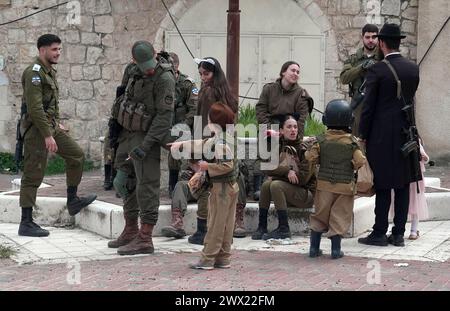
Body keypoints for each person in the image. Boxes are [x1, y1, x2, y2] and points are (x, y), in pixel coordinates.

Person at [18, 34, 97, 237]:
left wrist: (55, 124)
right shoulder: (34, 73)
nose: (58, 53)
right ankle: (26, 222)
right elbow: (35, 109)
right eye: (54, 49)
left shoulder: (48, 72)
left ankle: (73, 200)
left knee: (76, 155)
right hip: (37, 132)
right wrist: (47, 134)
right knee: (33, 173)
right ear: (42, 50)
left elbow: (48, 105)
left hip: (50, 127)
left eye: (59, 49)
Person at [108, 40, 176, 255]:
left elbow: (164, 117)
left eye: (149, 63)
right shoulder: (131, 71)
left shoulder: (164, 78)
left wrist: (146, 146)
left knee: (147, 185)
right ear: (133, 61)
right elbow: (122, 99)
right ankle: (130, 230)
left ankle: (145, 238)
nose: (147, 68)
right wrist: (115, 134)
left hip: (148, 136)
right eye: (142, 64)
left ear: (155, 54)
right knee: (126, 181)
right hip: (127, 133)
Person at [358, 24, 421, 247]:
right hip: (406, 135)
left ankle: (379, 232)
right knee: (403, 185)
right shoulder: (413, 69)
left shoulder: (377, 70)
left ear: (382, 43)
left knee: (384, 185)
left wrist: (362, 134)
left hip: (381, 137)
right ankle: (399, 234)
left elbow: (368, 108)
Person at [183, 56, 246, 244]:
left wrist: (195, 153)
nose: (203, 77)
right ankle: (221, 230)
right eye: (201, 74)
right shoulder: (225, 92)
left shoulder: (209, 93)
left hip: (210, 143)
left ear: (214, 73)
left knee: (204, 187)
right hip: (225, 143)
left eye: (206, 73)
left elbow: (201, 121)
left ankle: (203, 230)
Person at [170, 102, 239, 270]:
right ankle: (223, 257)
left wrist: (207, 167)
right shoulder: (225, 136)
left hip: (222, 188)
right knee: (226, 224)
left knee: (215, 224)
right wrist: (181, 145)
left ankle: (207, 259)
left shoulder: (221, 141)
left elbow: (226, 165)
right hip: (230, 187)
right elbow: (204, 143)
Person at [306, 99, 366, 259]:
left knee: (319, 215)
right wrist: (352, 165)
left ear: (326, 120)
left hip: (324, 185)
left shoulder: (320, 140)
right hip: (345, 186)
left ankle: (313, 248)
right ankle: (335, 250)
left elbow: (310, 157)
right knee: (339, 216)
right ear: (350, 120)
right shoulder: (352, 143)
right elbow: (360, 161)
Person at [255, 61, 314, 201]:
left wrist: (287, 132)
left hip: (289, 127)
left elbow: (301, 118)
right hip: (271, 125)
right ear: (283, 72)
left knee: (287, 152)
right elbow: (261, 109)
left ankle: (281, 182)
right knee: (264, 151)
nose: (295, 74)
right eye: (292, 70)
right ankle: (259, 186)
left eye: (298, 72)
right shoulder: (269, 89)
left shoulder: (301, 94)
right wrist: (270, 129)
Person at [252, 114, 316, 240]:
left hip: (306, 194)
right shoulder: (279, 146)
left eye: (295, 127)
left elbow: (302, 179)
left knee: (275, 184)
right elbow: (267, 167)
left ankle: (284, 229)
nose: (293, 130)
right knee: (266, 185)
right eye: (289, 127)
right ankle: (262, 226)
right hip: (290, 191)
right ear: (281, 130)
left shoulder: (304, 149)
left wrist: (278, 176)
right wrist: (287, 171)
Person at [166, 52, 198, 197]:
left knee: (175, 149)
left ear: (177, 66)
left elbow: (194, 107)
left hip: (182, 127)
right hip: (163, 126)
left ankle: (173, 185)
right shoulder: (162, 82)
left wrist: (184, 125)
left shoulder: (188, 84)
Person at [340, 24, 380, 137]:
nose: (370, 40)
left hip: (378, 103)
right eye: (367, 37)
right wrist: (361, 68)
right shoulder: (354, 59)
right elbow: (344, 78)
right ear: (362, 37)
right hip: (358, 104)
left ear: (378, 38)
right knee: (357, 138)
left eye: (373, 37)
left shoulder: (382, 58)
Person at [389, 138, 429, 240]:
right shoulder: (414, 139)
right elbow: (425, 157)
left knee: (398, 204)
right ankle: (414, 231)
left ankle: (398, 229)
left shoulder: (396, 139)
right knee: (416, 205)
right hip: (415, 178)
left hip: (402, 178)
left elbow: (425, 157)